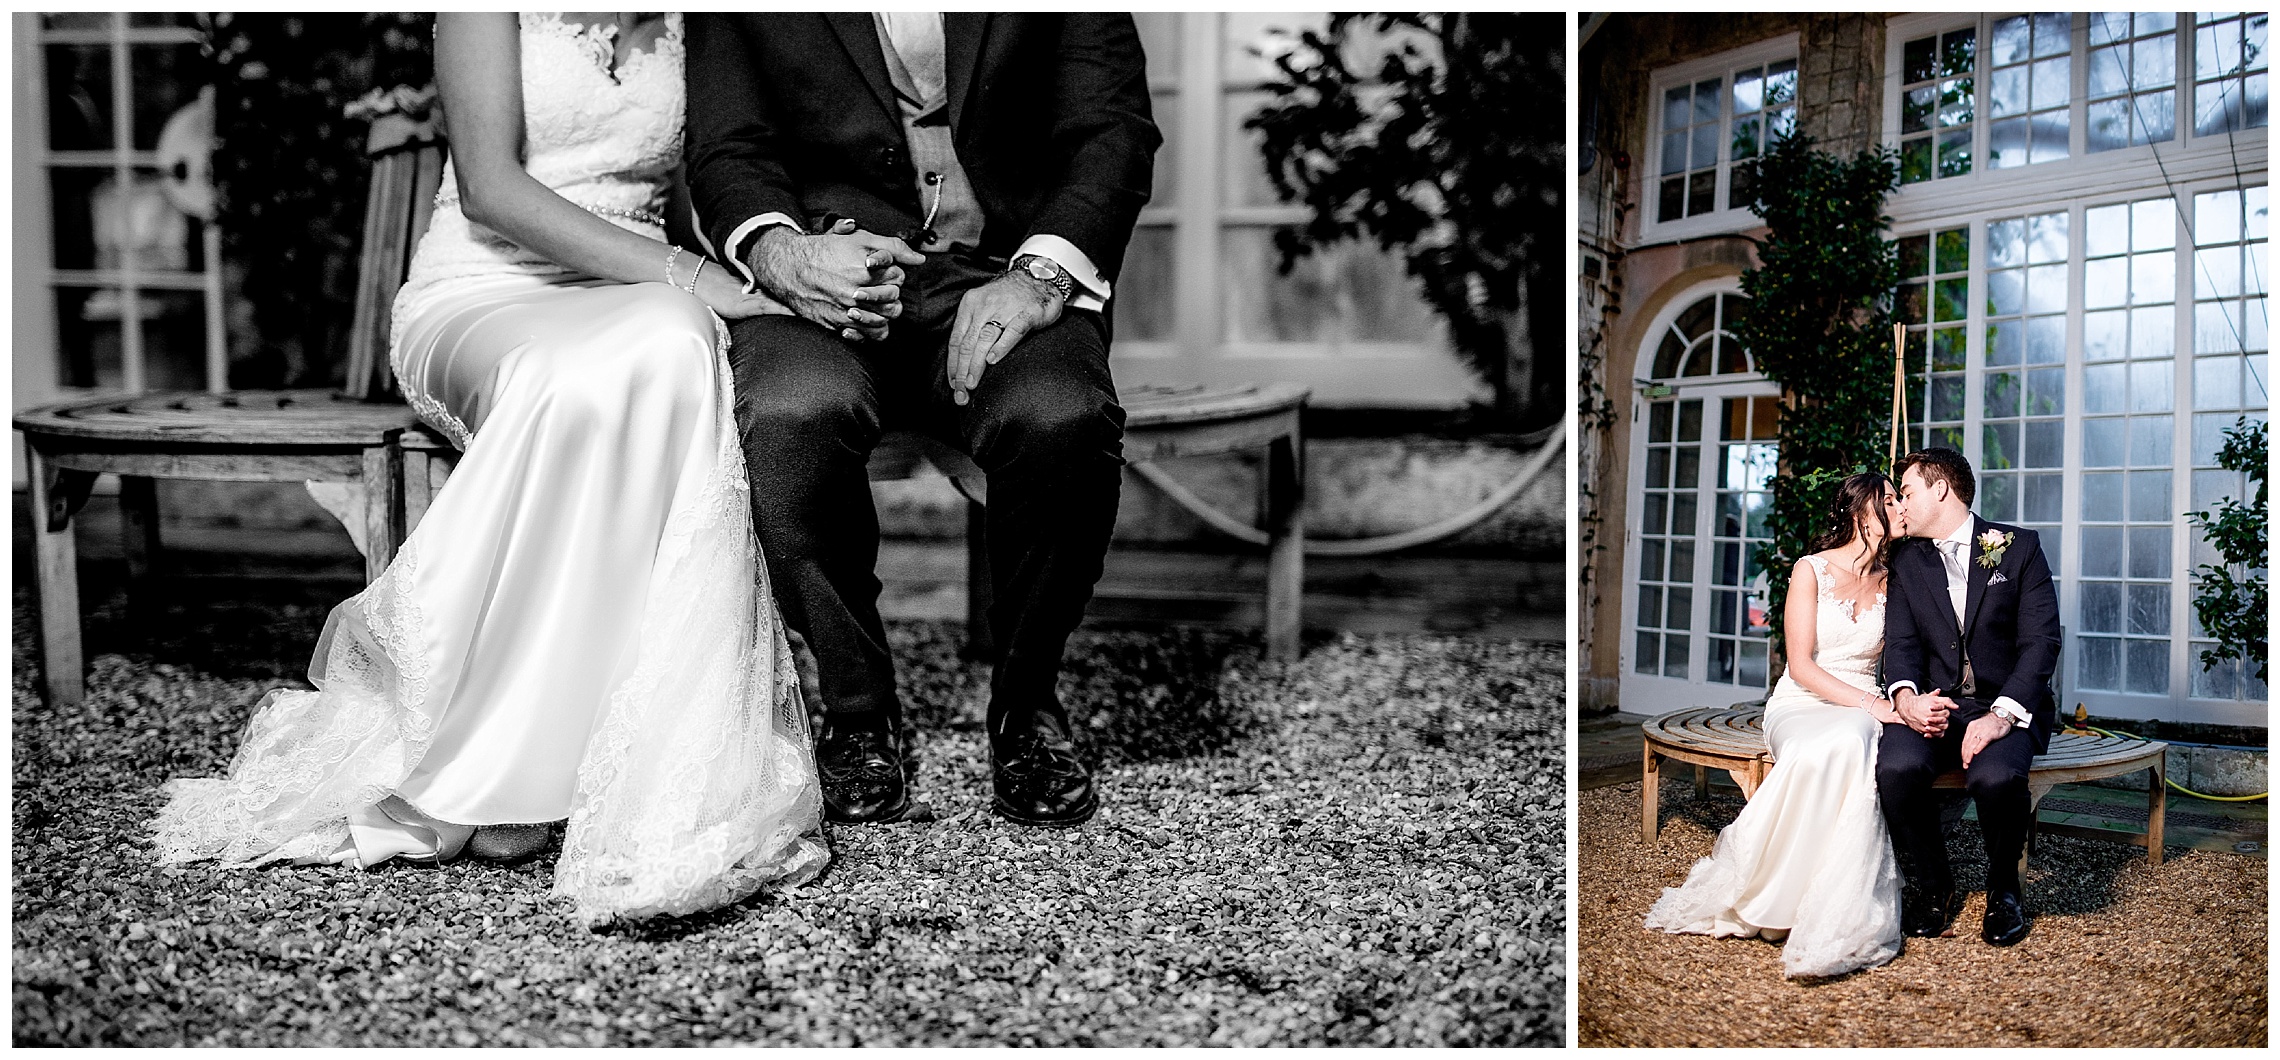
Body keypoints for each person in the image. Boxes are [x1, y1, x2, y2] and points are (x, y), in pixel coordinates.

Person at [153, 13, 829, 926]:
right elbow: (492, 193)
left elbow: (718, 172)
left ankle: (609, 761)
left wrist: (778, 264)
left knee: (673, 348)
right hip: (483, 292)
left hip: (628, 294)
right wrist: (691, 276)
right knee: (607, 359)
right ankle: (487, 763)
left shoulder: (685, 20)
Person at [684, 14, 1160, 826]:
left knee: (1063, 417)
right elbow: (729, 148)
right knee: (790, 415)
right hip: (828, 272)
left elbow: (1111, 129)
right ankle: (857, 708)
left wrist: (1040, 276)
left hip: (1005, 268)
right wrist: (782, 254)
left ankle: (1027, 705)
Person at [1646, 473, 1906, 978]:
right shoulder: (1810, 570)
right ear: (1861, 513)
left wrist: (1884, 702)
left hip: (1860, 704)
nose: (1899, 509)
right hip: (1802, 701)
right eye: (1890, 500)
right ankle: (1767, 891)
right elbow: (1802, 664)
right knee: (1836, 741)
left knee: (1852, 740)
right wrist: (1869, 705)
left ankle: (1826, 901)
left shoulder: (1896, 579)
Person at [1881, 447, 2061, 947]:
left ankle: (2004, 889)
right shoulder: (1907, 560)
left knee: (1998, 776)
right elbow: (1900, 643)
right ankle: (1933, 885)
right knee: (1895, 768)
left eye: (1908, 492)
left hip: (2001, 705)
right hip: (1934, 705)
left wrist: (2002, 716)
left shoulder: (2017, 548)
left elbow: (2041, 642)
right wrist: (1907, 698)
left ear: (1940, 489)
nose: (1900, 505)